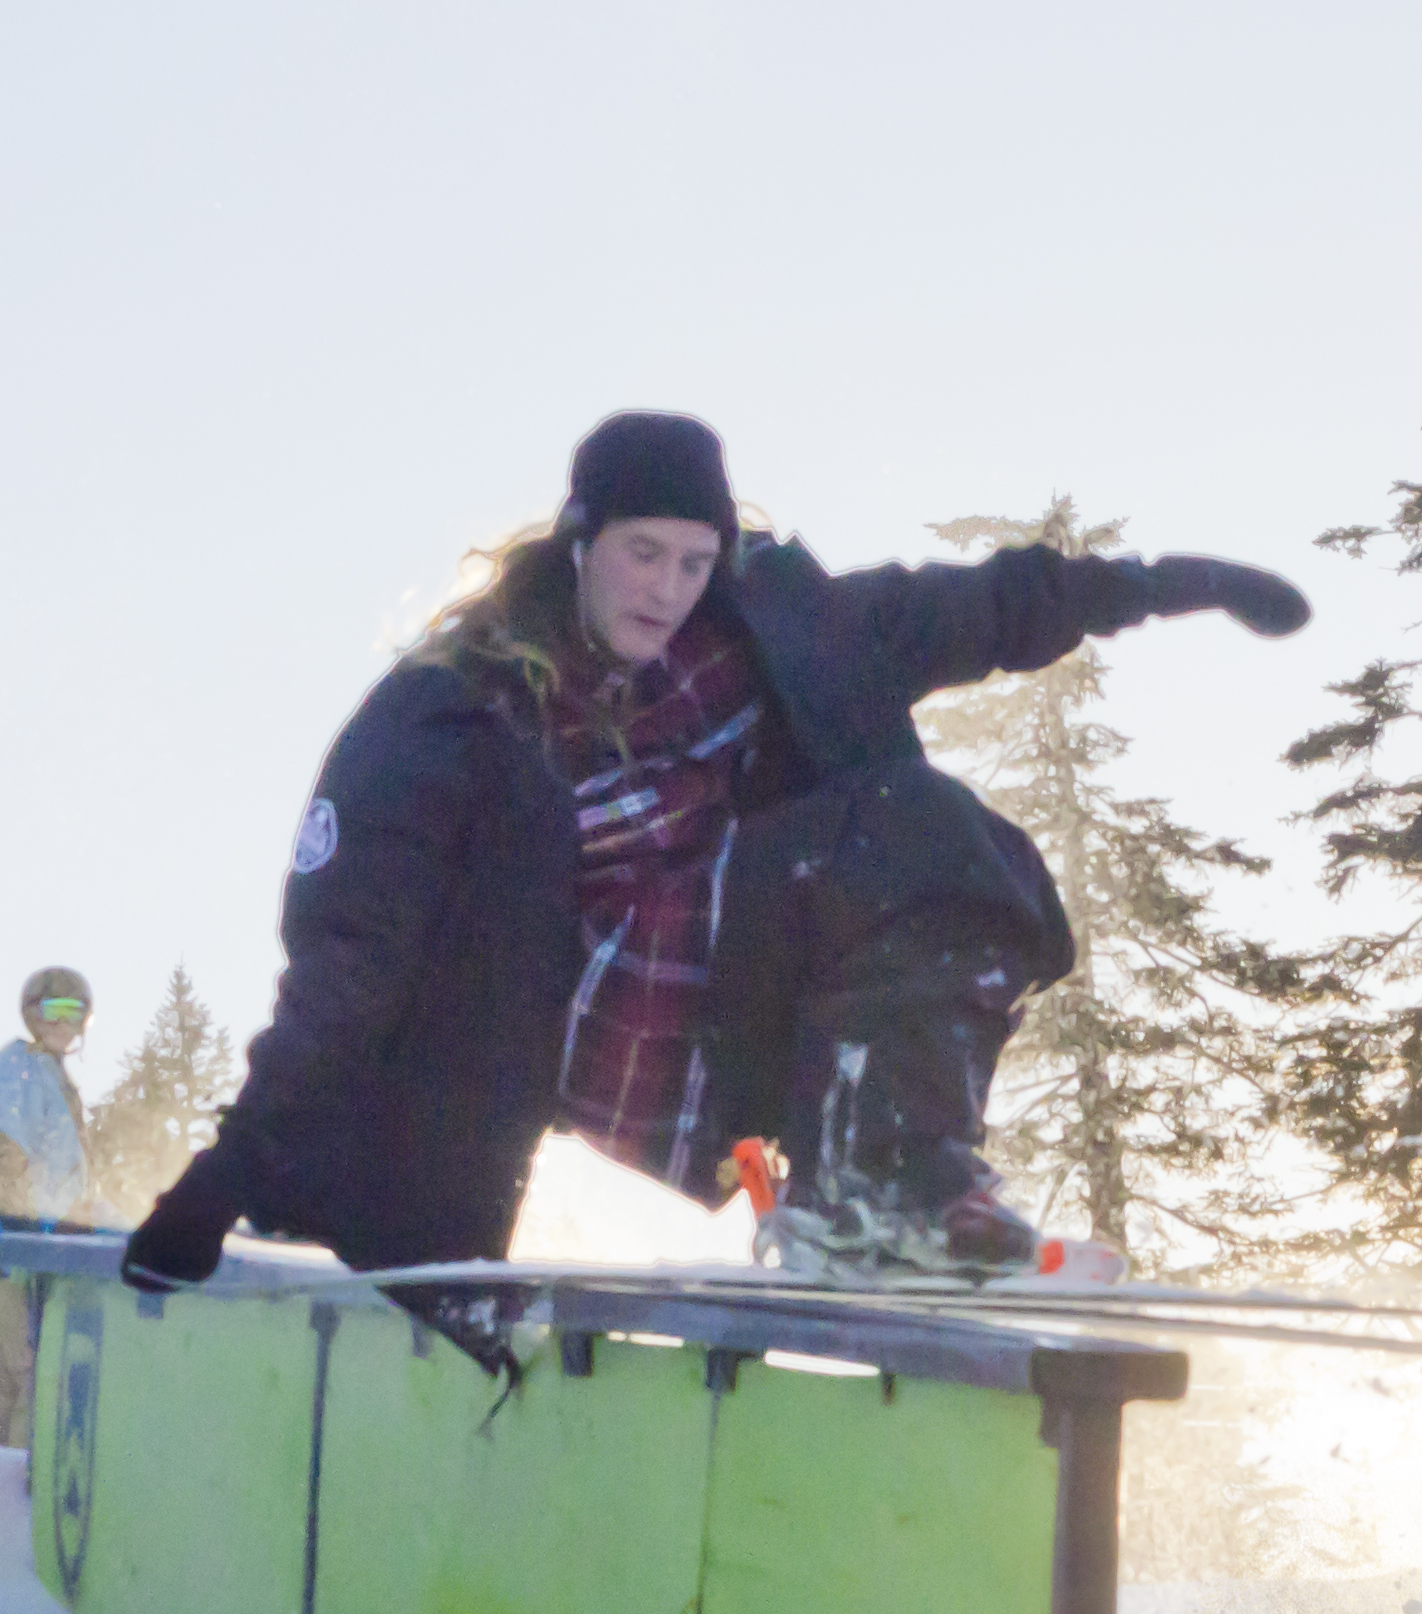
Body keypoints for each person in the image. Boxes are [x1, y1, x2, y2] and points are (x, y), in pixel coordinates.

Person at [121, 411, 1306, 1292]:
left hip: (729, 998)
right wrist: (231, 1171)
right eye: (643, 554)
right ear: (580, 541)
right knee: (892, 828)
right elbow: (350, 958)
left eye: (694, 562)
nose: (668, 592)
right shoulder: (455, 712)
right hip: (571, 1024)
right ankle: (870, 1194)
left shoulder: (761, 630)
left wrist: (1161, 586)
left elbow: (964, 610)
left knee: (959, 850)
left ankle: (892, 1180)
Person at [0, 966, 99, 1445]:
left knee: (7, 1375)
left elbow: (70, 1170)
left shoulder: (50, 1076)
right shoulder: (18, 1070)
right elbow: (7, 1159)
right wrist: (32, 1237)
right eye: (53, 1011)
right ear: (32, 1014)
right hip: (22, 1247)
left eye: (73, 1013)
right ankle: (25, 1477)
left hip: (42, 1246)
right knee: (37, 1367)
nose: (62, 1024)